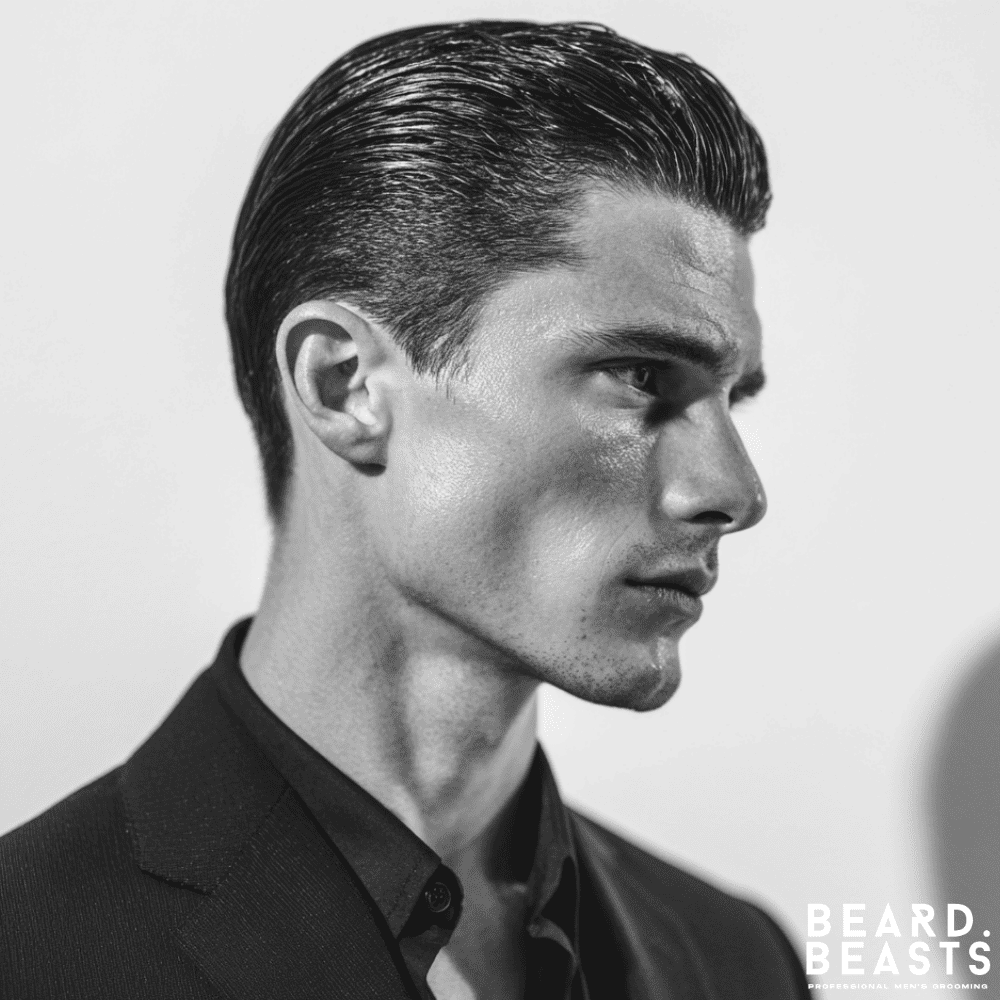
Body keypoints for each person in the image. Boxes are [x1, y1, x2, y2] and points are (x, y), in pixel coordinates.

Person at [0, 20, 808, 1000]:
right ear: (346, 387)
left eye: (735, 397)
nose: (732, 490)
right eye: (640, 375)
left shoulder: (737, 961)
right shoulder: (29, 952)